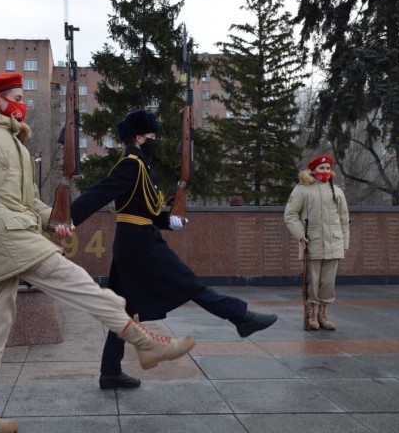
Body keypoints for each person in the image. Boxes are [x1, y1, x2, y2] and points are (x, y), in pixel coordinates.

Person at [0, 73, 196, 433]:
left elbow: (28, 201)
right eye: (17, 96)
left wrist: (56, 219)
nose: (23, 103)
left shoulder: (12, 142)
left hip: (11, 235)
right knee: (79, 283)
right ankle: (144, 342)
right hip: (8, 237)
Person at [69, 109, 279, 390]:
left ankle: (110, 371)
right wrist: (67, 217)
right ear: (140, 136)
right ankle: (242, 318)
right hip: (139, 244)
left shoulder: (142, 166)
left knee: (123, 309)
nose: (156, 141)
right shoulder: (131, 164)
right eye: (153, 136)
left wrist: (170, 220)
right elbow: (100, 192)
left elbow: (148, 211)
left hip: (135, 240)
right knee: (190, 283)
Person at [284, 153, 350, 331]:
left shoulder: (337, 191)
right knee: (313, 281)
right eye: (321, 168)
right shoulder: (302, 189)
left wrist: (344, 242)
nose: (325, 171)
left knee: (328, 282)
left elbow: (344, 218)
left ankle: (323, 314)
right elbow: (290, 215)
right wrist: (300, 235)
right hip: (312, 242)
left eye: (328, 168)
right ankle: (312, 314)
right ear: (313, 170)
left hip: (333, 242)